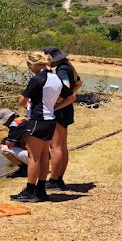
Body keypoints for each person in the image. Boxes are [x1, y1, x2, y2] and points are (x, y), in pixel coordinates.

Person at [11, 51, 62, 203]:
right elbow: (64, 96)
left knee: (34, 157)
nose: (29, 69)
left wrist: (29, 106)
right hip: (50, 120)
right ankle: (41, 189)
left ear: (33, 64)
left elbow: (22, 101)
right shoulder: (56, 77)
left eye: (29, 66)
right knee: (45, 156)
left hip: (37, 120)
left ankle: (30, 190)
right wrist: (50, 105)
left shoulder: (37, 78)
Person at [43, 46, 82, 189]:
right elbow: (78, 83)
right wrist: (69, 97)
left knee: (56, 147)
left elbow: (64, 87)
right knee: (62, 146)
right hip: (67, 109)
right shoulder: (68, 67)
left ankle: (53, 180)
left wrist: (56, 103)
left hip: (60, 111)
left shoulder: (62, 70)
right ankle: (59, 178)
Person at [0, 108, 29, 176]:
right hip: (44, 156)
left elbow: (9, 143)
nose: (4, 125)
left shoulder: (15, 125)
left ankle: (24, 169)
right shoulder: (24, 119)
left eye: (4, 122)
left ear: (8, 118)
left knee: (4, 149)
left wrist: (3, 142)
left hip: (34, 158)